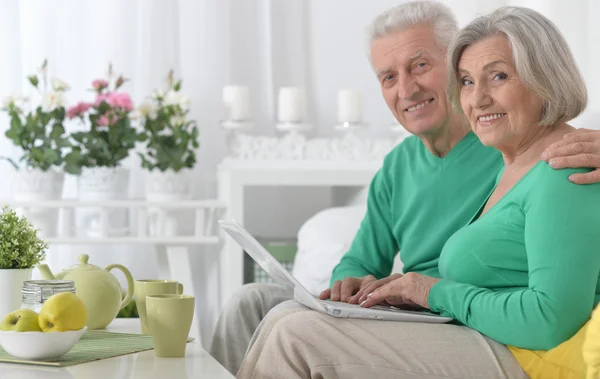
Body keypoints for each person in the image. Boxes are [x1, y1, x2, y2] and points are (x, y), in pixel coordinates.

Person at [209, 1, 600, 375]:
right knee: (255, 304)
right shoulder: (491, 158)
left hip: (465, 319)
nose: (407, 89)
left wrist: (429, 291)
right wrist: (355, 283)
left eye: (421, 66)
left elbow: (551, 306)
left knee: (292, 331)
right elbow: (361, 259)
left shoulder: (548, 156)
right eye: (389, 77)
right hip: (426, 304)